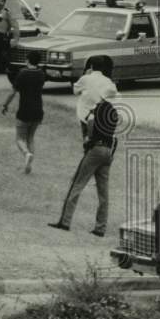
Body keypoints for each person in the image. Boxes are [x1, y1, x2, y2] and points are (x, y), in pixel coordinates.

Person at [49, 96, 120, 237]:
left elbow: (90, 122)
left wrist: (88, 139)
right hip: (108, 151)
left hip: (96, 149)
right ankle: (100, 227)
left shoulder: (96, 108)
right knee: (103, 193)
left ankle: (65, 221)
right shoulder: (113, 112)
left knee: (77, 184)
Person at [2, 50, 47, 173]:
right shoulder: (41, 74)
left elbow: (13, 92)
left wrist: (5, 105)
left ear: (27, 60)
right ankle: (28, 166)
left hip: (24, 110)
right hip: (38, 110)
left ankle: (26, 153)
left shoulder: (23, 73)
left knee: (19, 138)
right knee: (31, 138)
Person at [74, 55, 119, 138]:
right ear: (103, 67)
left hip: (85, 113)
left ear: (91, 66)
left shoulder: (85, 79)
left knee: (87, 137)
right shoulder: (106, 80)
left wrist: (85, 74)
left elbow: (75, 91)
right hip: (100, 115)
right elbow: (114, 92)